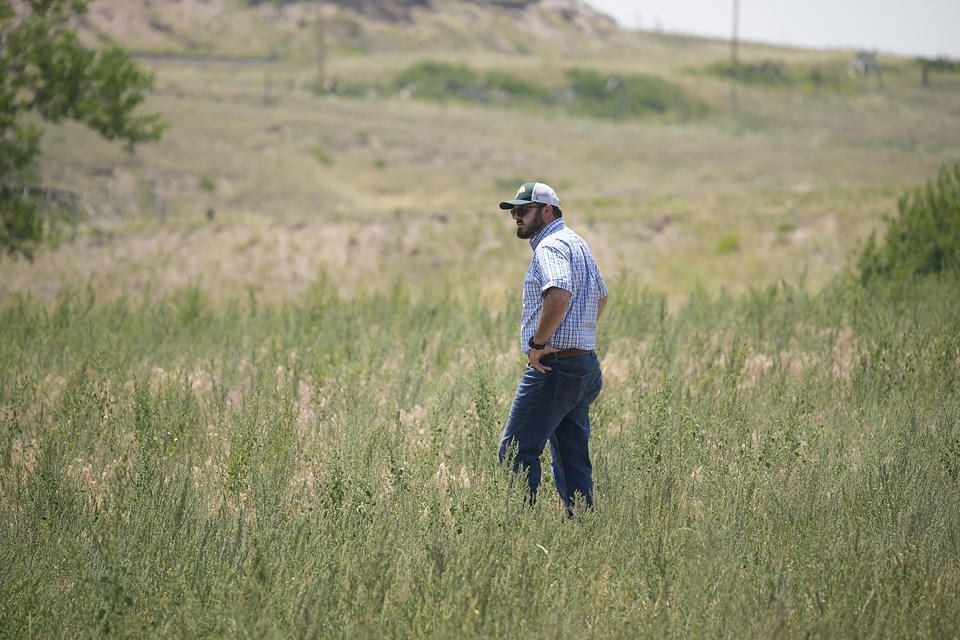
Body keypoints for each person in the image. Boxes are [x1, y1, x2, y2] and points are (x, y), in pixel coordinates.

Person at [497, 181, 607, 512]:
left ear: (547, 211)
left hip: (554, 367)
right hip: (584, 365)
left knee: (515, 449)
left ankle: (519, 531)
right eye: (514, 211)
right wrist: (580, 337)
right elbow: (601, 297)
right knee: (573, 459)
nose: (517, 217)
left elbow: (558, 293)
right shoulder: (578, 243)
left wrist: (539, 344)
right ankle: (584, 529)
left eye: (524, 210)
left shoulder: (550, 247)